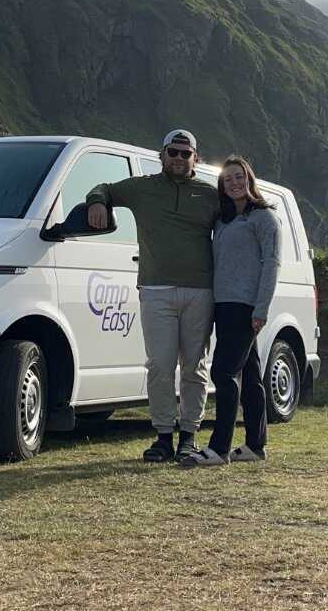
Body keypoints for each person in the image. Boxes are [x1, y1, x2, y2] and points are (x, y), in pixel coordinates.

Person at [86, 129, 218, 462]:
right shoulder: (142, 188)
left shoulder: (210, 194)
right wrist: (97, 202)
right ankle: (162, 436)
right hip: (155, 290)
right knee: (159, 366)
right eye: (172, 152)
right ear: (161, 155)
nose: (178, 158)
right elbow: (102, 188)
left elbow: (241, 217)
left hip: (200, 292)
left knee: (195, 368)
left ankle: (188, 436)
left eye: (185, 153)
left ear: (195, 159)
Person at [181, 154, 280, 468]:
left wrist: (260, 309)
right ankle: (255, 445)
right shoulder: (223, 221)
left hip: (245, 307)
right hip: (222, 305)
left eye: (239, 177)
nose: (234, 183)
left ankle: (219, 448)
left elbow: (271, 265)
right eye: (228, 179)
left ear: (249, 179)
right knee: (249, 375)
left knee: (223, 373)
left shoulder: (264, 218)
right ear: (222, 186)